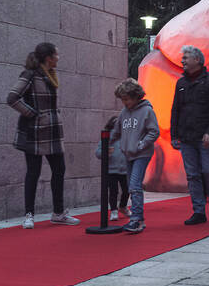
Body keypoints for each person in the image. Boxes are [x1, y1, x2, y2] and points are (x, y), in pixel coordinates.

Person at [7, 42, 80, 229]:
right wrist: (33, 113)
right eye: (57, 54)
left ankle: (58, 213)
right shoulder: (30, 75)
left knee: (59, 169)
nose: (58, 57)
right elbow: (12, 98)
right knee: (33, 172)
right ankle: (29, 215)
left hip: (53, 131)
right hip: (35, 131)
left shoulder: (50, 75)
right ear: (49, 57)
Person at [170, 46, 209, 225]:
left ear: (197, 60)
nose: (182, 61)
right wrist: (174, 134)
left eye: (186, 58)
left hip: (206, 138)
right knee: (192, 175)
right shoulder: (181, 83)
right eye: (183, 58)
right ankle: (199, 211)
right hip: (186, 137)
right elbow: (175, 109)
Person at [110, 78, 160, 233]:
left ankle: (136, 218)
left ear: (135, 96)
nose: (124, 102)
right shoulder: (124, 112)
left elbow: (154, 131)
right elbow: (117, 130)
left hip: (141, 153)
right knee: (133, 186)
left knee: (134, 185)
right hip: (128, 153)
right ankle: (140, 220)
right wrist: (108, 140)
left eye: (126, 99)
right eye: (122, 99)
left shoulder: (147, 111)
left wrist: (142, 144)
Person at [94, 116, 131, 221]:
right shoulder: (107, 138)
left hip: (125, 170)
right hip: (111, 170)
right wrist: (106, 152)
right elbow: (97, 153)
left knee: (127, 189)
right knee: (113, 191)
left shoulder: (126, 137)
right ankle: (114, 210)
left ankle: (123, 206)